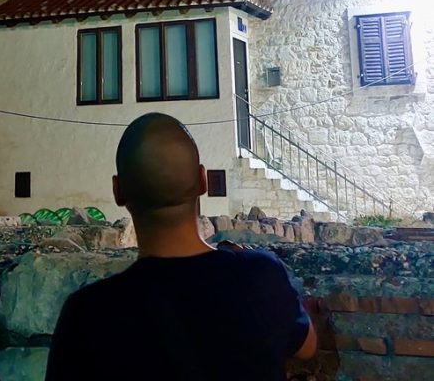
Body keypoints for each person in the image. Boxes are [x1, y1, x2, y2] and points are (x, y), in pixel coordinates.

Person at [46, 113, 317, 380]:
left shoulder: (87, 314)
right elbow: (307, 347)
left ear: (118, 191)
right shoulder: (261, 274)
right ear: (203, 180)